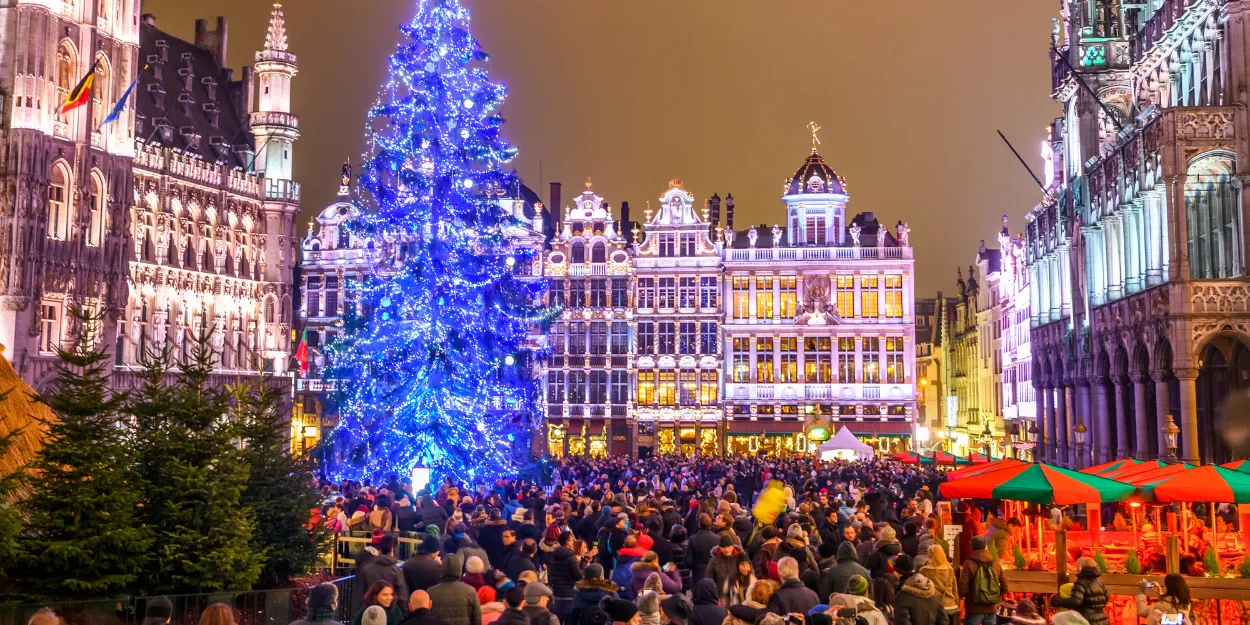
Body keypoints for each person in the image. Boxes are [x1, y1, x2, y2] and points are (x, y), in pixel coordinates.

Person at [958, 537, 1006, 625]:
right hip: (991, 608)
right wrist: (994, 598)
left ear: (972, 547)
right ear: (985, 547)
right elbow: (1004, 586)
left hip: (974, 609)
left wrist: (961, 597)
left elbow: (962, 586)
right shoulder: (996, 563)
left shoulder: (968, 563)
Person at [1050, 557, 1108, 625]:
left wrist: (1056, 601)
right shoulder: (1100, 582)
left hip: (1086, 619)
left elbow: (1076, 601)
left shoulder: (1081, 582)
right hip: (1101, 619)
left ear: (1080, 568)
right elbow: (1106, 598)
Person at [429, 554, 483, 625]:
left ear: (442, 569)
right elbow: (477, 620)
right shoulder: (471, 591)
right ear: (459, 569)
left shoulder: (430, 592)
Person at [359, 536, 411, 607]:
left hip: (369, 612)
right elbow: (403, 597)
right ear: (392, 549)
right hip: (391, 613)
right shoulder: (397, 571)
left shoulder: (366, 569)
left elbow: (360, 595)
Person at [549, 531, 585, 624]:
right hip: (568, 592)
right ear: (567, 541)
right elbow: (578, 576)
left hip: (556, 592)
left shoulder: (554, 554)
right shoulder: (570, 556)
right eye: (572, 539)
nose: (573, 540)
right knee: (569, 619)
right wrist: (583, 564)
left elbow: (550, 572)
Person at [918, 545, 958, 624]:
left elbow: (921, 591)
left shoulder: (924, 570)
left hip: (933, 607)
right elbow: (955, 589)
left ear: (929, 555)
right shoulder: (950, 569)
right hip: (950, 606)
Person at [687, 515, 720, 588]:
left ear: (698, 524)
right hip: (713, 574)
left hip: (697, 574)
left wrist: (695, 567)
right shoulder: (718, 539)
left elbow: (688, 560)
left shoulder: (693, 539)